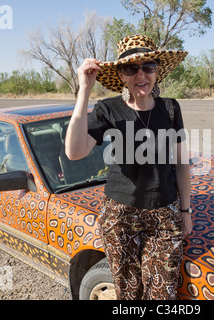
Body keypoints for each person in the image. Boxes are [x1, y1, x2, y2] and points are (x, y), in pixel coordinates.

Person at [65, 35, 192, 300]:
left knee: (162, 294)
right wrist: (84, 91)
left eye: (148, 66)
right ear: (121, 75)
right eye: (131, 68)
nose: (141, 74)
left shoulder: (170, 108)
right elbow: (74, 152)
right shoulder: (108, 109)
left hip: (165, 215)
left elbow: (181, 163)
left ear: (157, 70)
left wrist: (186, 210)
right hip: (120, 216)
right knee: (128, 293)